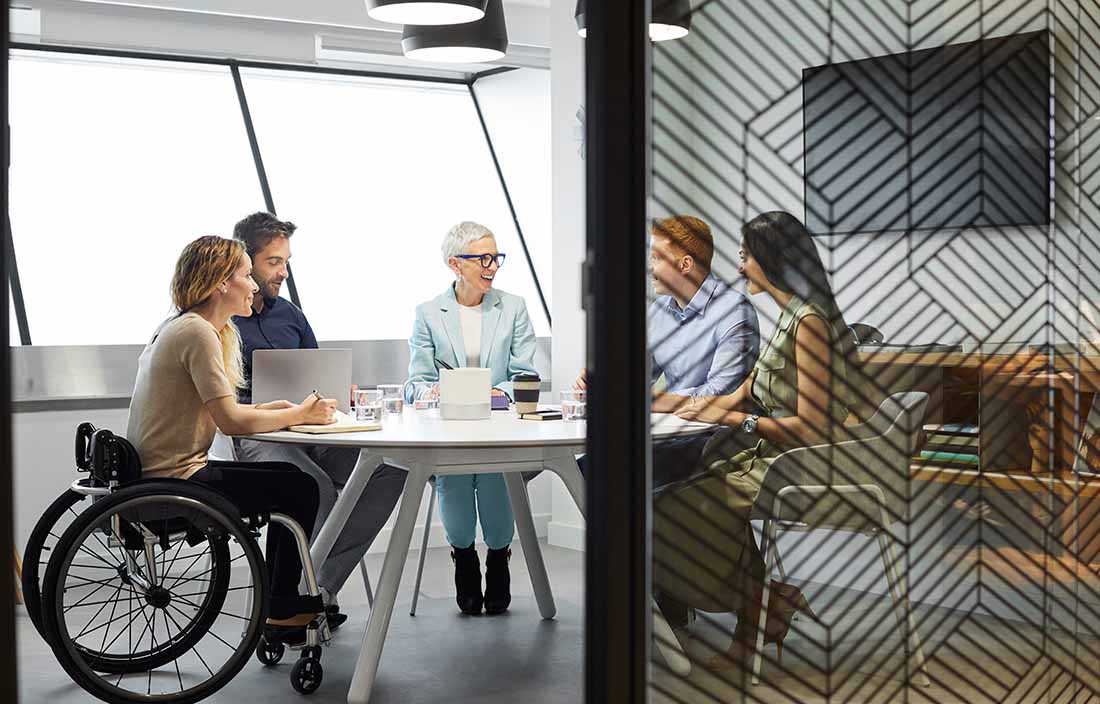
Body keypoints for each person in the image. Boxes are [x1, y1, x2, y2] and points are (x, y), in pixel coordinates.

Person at [659, 211, 860, 667]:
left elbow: (812, 426)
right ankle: (765, 605)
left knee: (669, 508)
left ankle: (759, 608)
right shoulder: (790, 316)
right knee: (680, 494)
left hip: (797, 463)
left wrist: (739, 423)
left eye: (745, 256)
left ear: (771, 260)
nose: (740, 266)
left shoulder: (809, 325)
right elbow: (747, 390)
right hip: (767, 456)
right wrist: (700, 407)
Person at [126, 235, 337, 642]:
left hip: (163, 471)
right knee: (300, 487)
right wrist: (299, 414)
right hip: (177, 478)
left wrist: (271, 408)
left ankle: (280, 601)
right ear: (222, 282)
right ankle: (280, 605)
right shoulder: (198, 333)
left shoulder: (185, 328)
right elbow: (229, 422)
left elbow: (222, 411)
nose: (255, 285)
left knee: (288, 482)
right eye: (246, 275)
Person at [574, 215, 761, 632]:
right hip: (673, 434)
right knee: (586, 467)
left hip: (720, 438)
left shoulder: (735, 313)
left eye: (655, 257)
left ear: (685, 265)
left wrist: (645, 397)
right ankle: (660, 594)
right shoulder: (657, 308)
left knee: (628, 477)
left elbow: (716, 398)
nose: (648, 266)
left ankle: (665, 595)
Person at [229, 212, 405, 628]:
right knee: (313, 485)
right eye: (273, 262)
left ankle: (319, 588)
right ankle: (290, 597)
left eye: (286, 261)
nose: (283, 272)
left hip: (312, 429)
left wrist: (344, 394)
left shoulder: (290, 314)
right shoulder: (223, 318)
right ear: (245, 261)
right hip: (259, 434)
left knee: (389, 468)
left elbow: (318, 374)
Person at [404, 221, 540, 616]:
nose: (492, 266)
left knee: (496, 484)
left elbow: (524, 375)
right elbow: (417, 382)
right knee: (456, 484)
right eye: (482, 258)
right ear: (455, 264)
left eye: (495, 257)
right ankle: (463, 558)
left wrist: (501, 393)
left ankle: (499, 559)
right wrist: (432, 391)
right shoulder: (429, 314)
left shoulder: (513, 307)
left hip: (498, 425)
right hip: (450, 427)